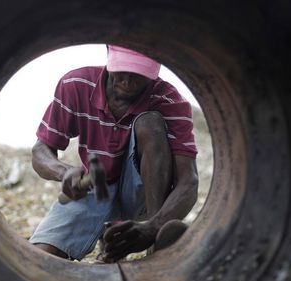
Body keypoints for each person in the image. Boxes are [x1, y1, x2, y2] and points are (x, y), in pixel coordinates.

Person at [29, 45, 199, 262]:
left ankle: (157, 242)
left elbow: (189, 182)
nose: (128, 81)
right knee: (40, 258)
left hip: (143, 194)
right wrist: (63, 172)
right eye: (122, 71)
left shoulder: (170, 102)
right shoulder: (76, 84)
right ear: (109, 54)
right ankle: (109, 249)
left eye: (138, 75)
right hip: (95, 184)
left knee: (150, 123)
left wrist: (153, 227)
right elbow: (41, 150)